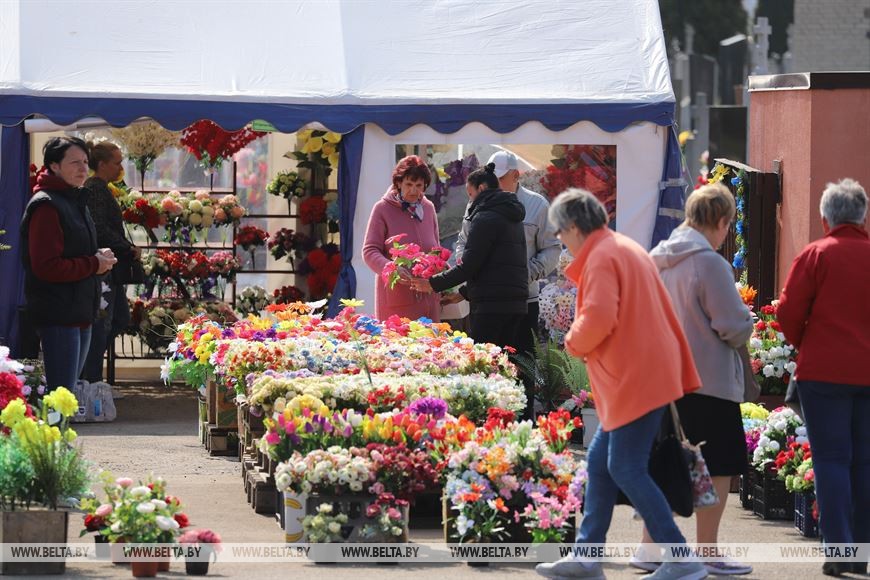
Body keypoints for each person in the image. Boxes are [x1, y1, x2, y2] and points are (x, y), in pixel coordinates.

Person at [535, 189, 705, 580]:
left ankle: (681, 557)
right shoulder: (620, 247)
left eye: (561, 232)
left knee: (625, 468)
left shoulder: (602, 256)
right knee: (601, 464)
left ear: (574, 227)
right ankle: (587, 557)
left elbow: (597, 319)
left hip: (635, 379)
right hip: (643, 375)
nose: (560, 240)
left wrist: (571, 341)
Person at [637, 183, 754, 576]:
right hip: (708, 379)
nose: (727, 234)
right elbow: (733, 326)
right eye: (728, 225)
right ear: (720, 222)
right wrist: (747, 320)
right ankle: (708, 551)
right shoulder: (710, 264)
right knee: (720, 464)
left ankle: (649, 549)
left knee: (666, 460)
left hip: (663, 378)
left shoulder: (656, 258)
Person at [776, 178, 870, 578]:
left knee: (831, 460)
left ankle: (840, 550)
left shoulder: (815, 254)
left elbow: (788, 311)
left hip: (824, 372)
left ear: (825, 217)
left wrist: (805, 342)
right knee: (865, 463)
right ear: (863, 215)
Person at [455, 151, 560, 417]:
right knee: (486, 366)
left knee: (522, 367)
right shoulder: (476, 204)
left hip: (525, 301)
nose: (494, 184)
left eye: (500, 179)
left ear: (516, 175)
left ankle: (524, 421)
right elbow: (463, 243)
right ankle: (486, 421)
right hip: (487, 301)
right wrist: (466, 267)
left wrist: (523, 275)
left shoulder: (537, 205)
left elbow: (551, 250)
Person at [20, 137, 117, 392]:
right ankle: (55, 433)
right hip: (59, 313)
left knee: (66, 396)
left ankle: (59, 432)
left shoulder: (75, 200)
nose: (83, 168)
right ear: (54, 166)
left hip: (79, 311)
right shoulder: (46, 206)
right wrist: (93, 264)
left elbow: (71, 250)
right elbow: (47, 265)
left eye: (85, 161)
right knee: (60, 397)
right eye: (74, 162)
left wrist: (98, 256)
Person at [410, 163, 528, 348]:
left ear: (481, 188)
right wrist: (464, 294)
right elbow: (494, 266)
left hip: (491, 307)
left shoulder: (485, 217)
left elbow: (469, 265)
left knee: (487, 363)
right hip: (515, 303)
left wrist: (432, 284)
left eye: (470, 194)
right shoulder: (511, 215)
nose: (470, 200)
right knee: (510, 364)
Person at [81, 141, 139, 396]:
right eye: (116, 162)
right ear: (102, 164)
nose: (120, 167)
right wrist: (127, 246)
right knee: (102, 324)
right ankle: (91, 380)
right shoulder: (95, 189)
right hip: (103, 267)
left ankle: (92, 377)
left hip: (110, 266)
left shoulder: (103, 188)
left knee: (117, 320)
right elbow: (100, 228)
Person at [362, 155, 441, 321]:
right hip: (397, 301)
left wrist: (442, 266)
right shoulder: (382, 209)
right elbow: (370, 251)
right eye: (409, 184)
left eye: (419, 185)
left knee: (431, 346)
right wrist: (391, 269)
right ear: (398, 183)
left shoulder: (428, 208)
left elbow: (436, 249)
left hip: (428, 299)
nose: (413, 191)